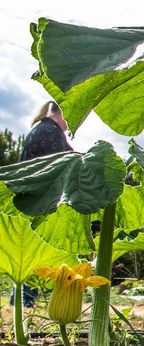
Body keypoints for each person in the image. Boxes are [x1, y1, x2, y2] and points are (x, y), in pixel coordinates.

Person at [14, 101, 73, 308]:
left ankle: (21, 301)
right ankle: (26, 303)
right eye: (70, 116)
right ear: (61, 113)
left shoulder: (43, 129)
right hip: (40, 201)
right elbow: (60, 168)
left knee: (28, 254)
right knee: (35, 253)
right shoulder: (51, 133)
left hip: (30, 199)